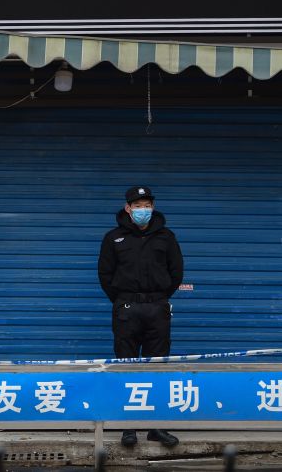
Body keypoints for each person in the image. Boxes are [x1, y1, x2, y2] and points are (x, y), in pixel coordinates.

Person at [97, 186, 184, 449]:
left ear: (152, 207)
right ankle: (129, 427)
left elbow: (176, 272)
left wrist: (159, 297)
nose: (142, 210)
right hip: (126, 308)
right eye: (137, 205)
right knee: (127, 365)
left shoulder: (166, 237)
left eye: (146, 204)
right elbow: (105, 275)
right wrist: (123, 300)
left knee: (157, 368)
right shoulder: (113, 238)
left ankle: (156, 427)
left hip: (157, 307)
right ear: (128, 208)